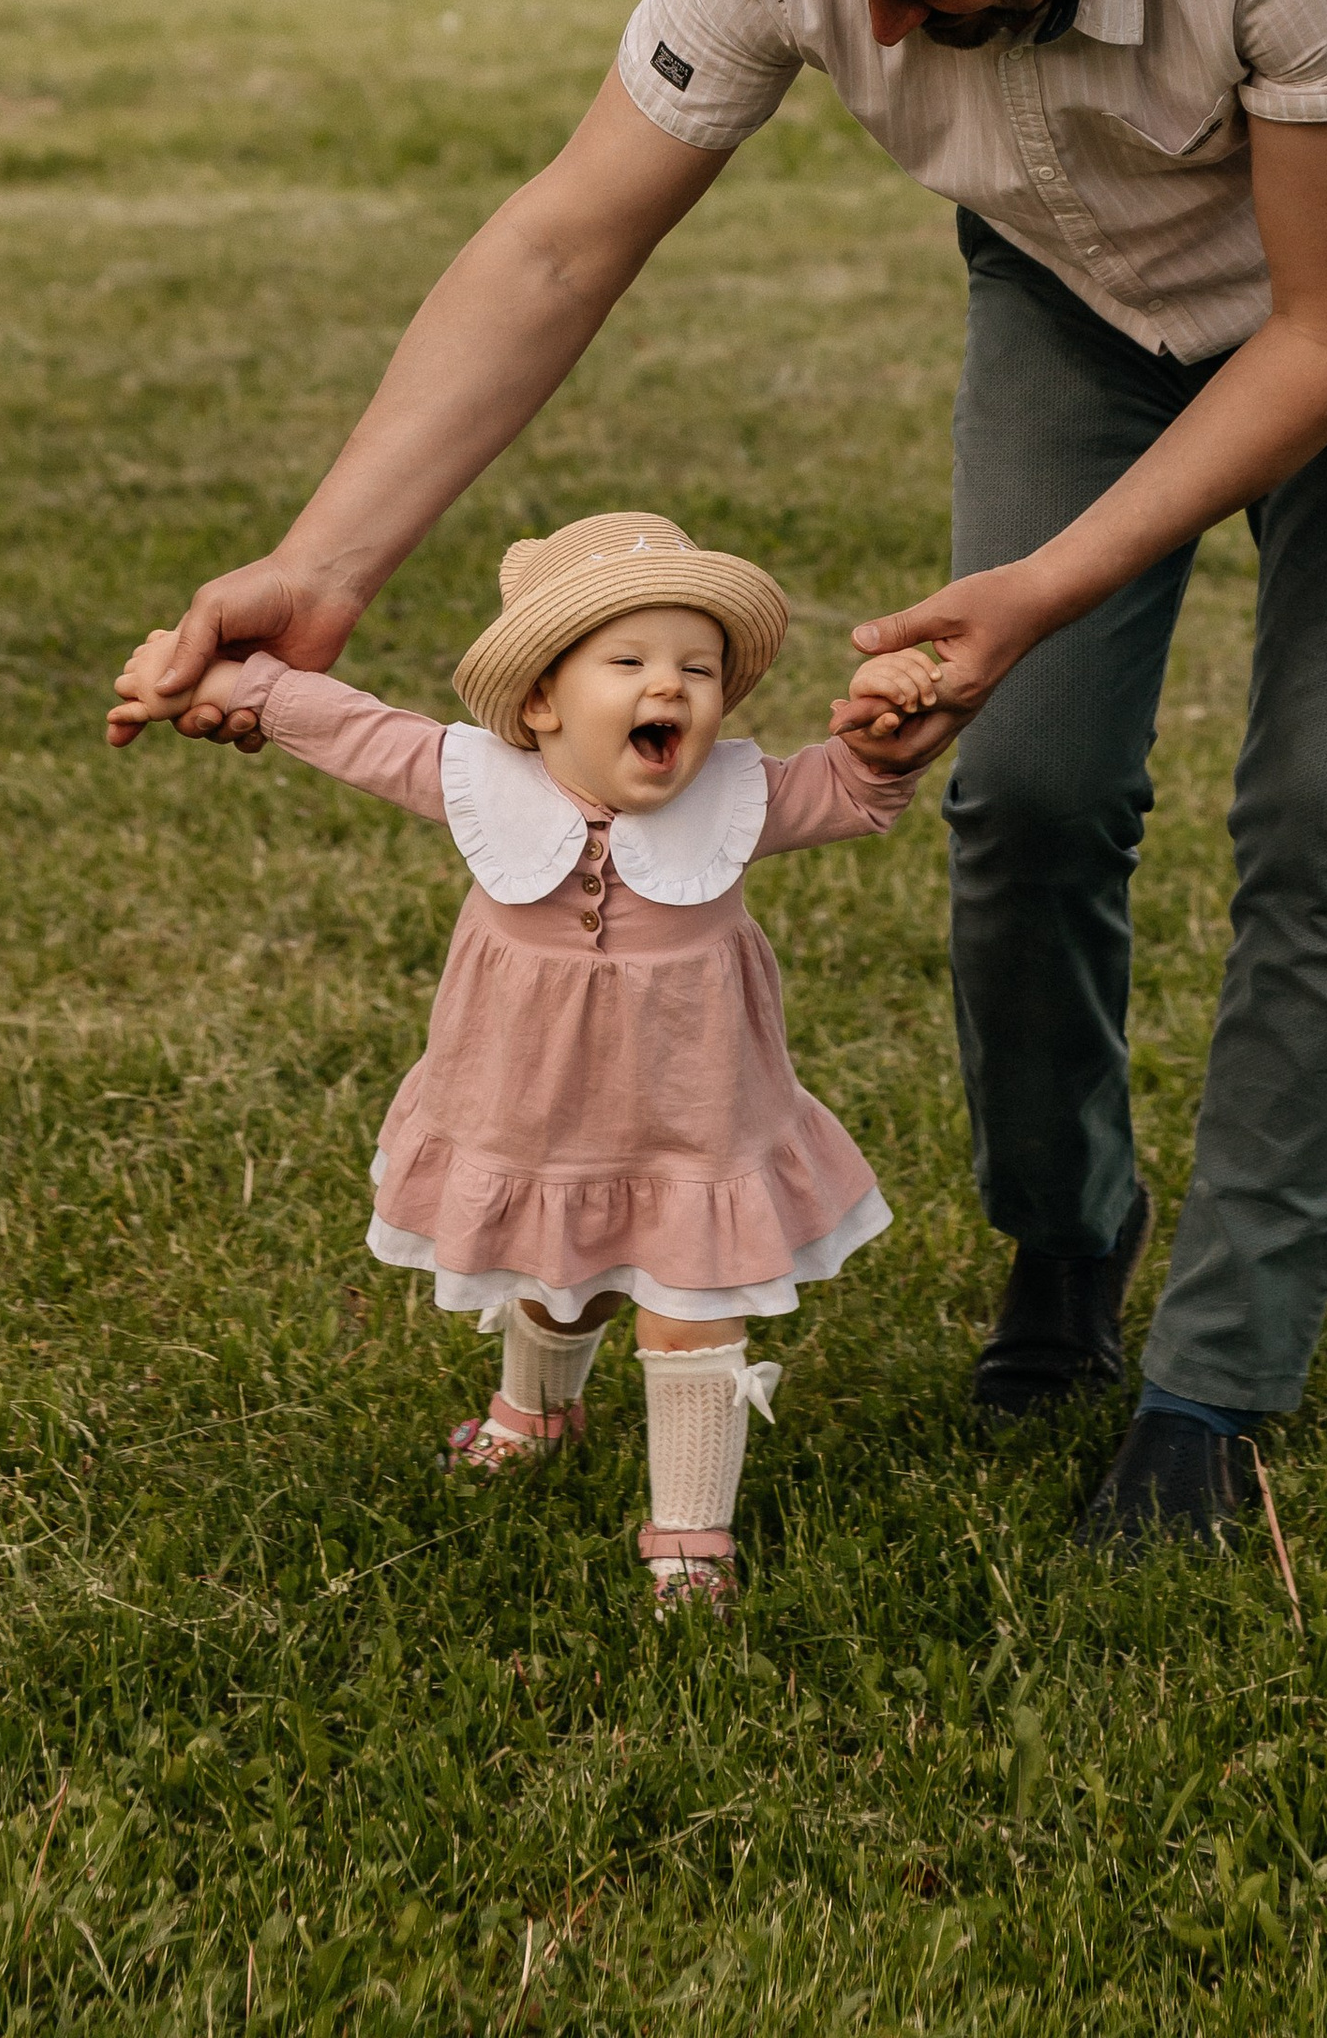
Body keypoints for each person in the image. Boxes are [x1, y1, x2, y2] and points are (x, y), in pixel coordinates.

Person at [133, 0, 1327, 1554]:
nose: (890, 36)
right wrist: (326, 565)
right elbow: (565, 239)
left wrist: (1042, 583)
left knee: (1324, 813)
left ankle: (1218, 1381)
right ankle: (1065, 1236)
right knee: (1022, 796)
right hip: (1075, 289)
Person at [111, 509, 944, 1610]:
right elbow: (347, 724)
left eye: (698, 667)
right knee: (555, 1269)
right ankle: (536, 1414)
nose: (675, 687)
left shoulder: (736, 795)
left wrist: (884, 741)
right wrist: (220, 679)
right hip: (527, 1105)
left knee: (690, 1296)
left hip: (694, 1116)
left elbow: (851, 791)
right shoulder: (473, 780)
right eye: (631, 662)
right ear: (542, 702)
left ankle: (691, 1533)